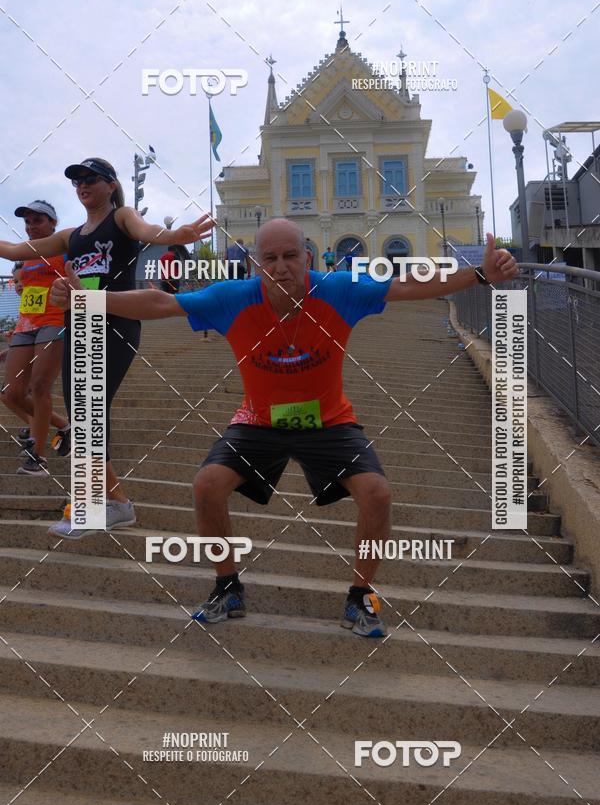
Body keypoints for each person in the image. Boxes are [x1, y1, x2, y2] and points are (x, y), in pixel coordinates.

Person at [51, 221, 517, 636]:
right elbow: (160, 301)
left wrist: (479, 275)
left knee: (377, 494)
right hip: (258, 420)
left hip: (330, 421)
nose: (281, 267)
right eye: (269, 258)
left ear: (307, 258)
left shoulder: (339, 289)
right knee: (207, 486)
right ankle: (226, 586)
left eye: (290, 256)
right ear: (256, 263)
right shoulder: (232, 298)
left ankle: (362, 598)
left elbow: (407, 285)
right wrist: (90, 297)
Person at [0, 158, 213, 533]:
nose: (83, 185)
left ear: (111, 185)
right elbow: (17, 252)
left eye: (91, 179)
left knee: (89, 411)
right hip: (78, 323)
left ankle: (94, 505)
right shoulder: (71, 236)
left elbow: (149, 231)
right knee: (83, 415)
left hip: (116, 321)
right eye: (78, 181)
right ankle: (116, 503)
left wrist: (175, 236)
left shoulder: (122, 217)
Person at [0, 201, 71, 474]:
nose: (31, 227)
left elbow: (82, 280)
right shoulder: (27, 254)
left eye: (37, 221)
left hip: (54, 321)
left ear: (53, 223)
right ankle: (64, 426)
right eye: (28, 222)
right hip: (25, 325)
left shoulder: (65, 249)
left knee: (40, 386)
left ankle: (38, 456)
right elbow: (27, 288)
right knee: (12, 393)